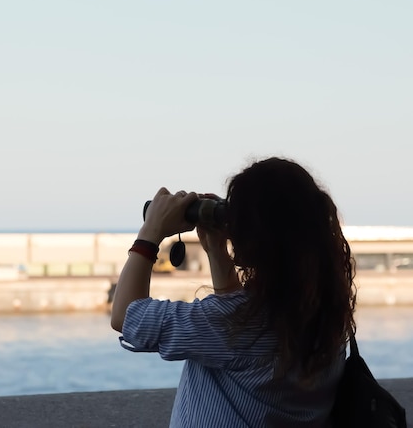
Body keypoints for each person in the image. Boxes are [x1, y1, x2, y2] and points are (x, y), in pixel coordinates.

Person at [110, 157, 356, 427]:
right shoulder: (325, 313)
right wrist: (216, 250)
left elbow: (125, 315)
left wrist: (150, 233)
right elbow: (239, 325)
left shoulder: (233, 323)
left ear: (261, 233)